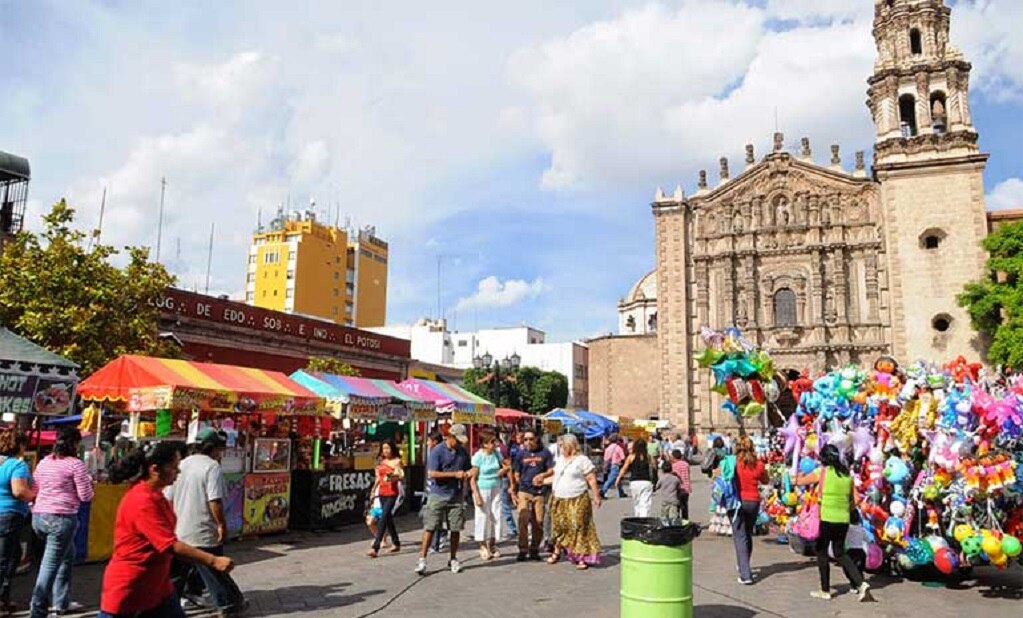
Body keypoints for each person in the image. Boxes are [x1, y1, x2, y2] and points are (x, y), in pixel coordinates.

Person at [99, 442, 234, 618]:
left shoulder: (157, 496)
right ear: (155, 469)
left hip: (158, 585)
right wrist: (213, 560)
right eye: (174, 467)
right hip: (132, 586)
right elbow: (170, 545)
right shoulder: (142, 500)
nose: (178, 472)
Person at [165, 429, 244, 614]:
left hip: (180, 529)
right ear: (214, 448)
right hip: (202, 528)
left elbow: (168, 497)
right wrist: (221, 525)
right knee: (213, 567)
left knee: (177, 573)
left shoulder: (182, 464)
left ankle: (171, 603)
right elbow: (214, 500)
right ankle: (228, 604)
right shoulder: (211, 467)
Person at [30, 427, 93, 618]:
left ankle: (61, 601)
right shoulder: (75, 464)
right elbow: (86, 495)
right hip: (61, 518)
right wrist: (90, 485)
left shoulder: (43, 463)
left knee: (67, 556)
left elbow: (35, 488)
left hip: (39, 516)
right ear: (75, 444)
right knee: (49, 565)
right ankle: (37, 609)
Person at [796, 444, 872, 601]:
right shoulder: (847, 475)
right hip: (843, 519)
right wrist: (845, 507)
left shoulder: (822, 472)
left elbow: (799, 481)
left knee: (821, 551)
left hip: (826, 518)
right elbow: (857, 499)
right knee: (840, 552)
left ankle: (825, 590)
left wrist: (800, 471)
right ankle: (861, 583)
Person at [416, 424, 471, 575]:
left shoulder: (462, 453)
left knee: (455, 528)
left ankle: (453, 558)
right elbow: (432, 473)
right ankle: (422, 559)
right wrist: (454, 475)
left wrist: (470, 473)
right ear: (450, 436)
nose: (459, 444)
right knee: (430, 526)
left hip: (456, 495)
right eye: (457, 441)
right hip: (438, 494)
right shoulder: (438, 451)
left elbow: (468, 468)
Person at [546, 434, 602, 570]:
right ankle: (557, 551)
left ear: (570, 445)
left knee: (578, 525)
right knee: (559, 526)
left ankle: (581, 557)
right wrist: (542, 481)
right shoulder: (560, 460)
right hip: (559, 498)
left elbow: (591, 479)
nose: (560, 448)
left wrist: (596, 496)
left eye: (562, 445)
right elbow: (557, 476)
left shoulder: (582, 460)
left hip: (577, 497)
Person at [0, 429, 34, 616]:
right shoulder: (17, 465)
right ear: (20, 445)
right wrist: (36, 497)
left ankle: (4, 598)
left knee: (11, 556)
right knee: (5, 559)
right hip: (9, 515)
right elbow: (19, 491)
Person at [729, 436, 768, 585]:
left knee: (740, 536)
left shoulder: (734, 463)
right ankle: (743, 563)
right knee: (747, 534)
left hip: (737, 502)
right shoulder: (758, 464)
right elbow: (765, 480)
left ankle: (745, 574)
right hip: (753, 502)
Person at [510, 431, 554, 561]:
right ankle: (523, 549)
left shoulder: (545, 453)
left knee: (538, 521)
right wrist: (514, 488)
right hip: (524, 490)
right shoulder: (521, 454)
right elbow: (515, 472)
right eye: (525, 439)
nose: (528, 442)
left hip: (540, 492)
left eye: (531, 439)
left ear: (537, 439)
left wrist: (542, 476)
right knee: (523, 519)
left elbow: (551, 469)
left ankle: (534, 548)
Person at [470, 431, 505, 560]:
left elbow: (505, 466)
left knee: (496, 514)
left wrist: (503, 471)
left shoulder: (496, 454)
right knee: (482, 516)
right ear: (484, 444)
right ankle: (482, 545)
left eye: (495, 441)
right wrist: (476, 495)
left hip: (496, 486)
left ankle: (493, 544)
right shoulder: (478, 456)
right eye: (492, 442)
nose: (495, 444)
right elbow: (473, 478)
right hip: (482, 487)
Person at [367, 441, 404, 558]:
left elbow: (400, 474)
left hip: (392, 493)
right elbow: (378, 478)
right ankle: (396, 542)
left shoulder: (397, 461)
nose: (386, 451)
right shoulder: (382, 462)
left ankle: (376, 546)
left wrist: (393, 477)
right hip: (382, 492)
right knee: (388, 518)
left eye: (388, 448)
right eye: (384, 448)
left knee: (383, 517)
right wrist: (373, 490)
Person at [614, 438, 656, 518]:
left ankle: (637, 519)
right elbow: (654, 467)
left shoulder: (631, 457)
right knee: (645, 503)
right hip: (646, 481)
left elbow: (624, 468)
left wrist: (618, 478)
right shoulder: (648, 456)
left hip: (634, 482)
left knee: (636, 502)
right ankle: (644, 520)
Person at [498, 434, 518, 539]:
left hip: (502, 479)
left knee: (504, 505)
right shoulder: (501, 447)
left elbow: (508, 466)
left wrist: (512, 483)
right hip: (494, 481)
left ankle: (512, 529)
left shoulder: (501, 449)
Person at [600, 435, 626, 500]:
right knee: (611, 479)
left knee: (618, 479)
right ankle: (602, 491)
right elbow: (623, 457)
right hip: (616, 464)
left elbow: (605, 458)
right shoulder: (618, 448)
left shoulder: (608, 448)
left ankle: (621, 492)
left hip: (610, 465)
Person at [669, 449, 692, 520]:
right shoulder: (686, 464)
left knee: (677, 506)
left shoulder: (674, 466)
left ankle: (678, 521)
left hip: (678, 488)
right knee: (685, 506)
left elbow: (673, 476)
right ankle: (685, 521)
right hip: (686, 487)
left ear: (673, 457)